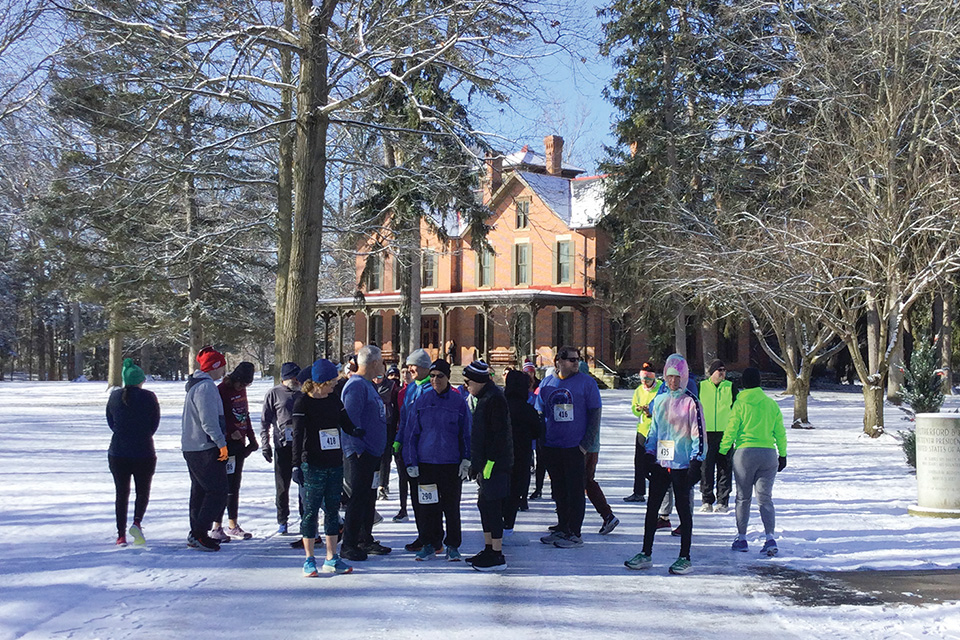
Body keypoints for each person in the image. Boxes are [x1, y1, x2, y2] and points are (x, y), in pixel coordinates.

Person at [625, 353, 705, 575]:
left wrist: (697, 462)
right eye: (669, 377)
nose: (672, 381)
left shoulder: (691, 402)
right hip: (661, 462)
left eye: (677, 377)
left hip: (682, 464)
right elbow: (654, 431)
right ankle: (646, 552)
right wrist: (649, 455)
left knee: (683, 509)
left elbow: (699, 435)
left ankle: (685, 556)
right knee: (652, 508)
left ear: (685, 377)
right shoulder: (660, 401)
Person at [536, 346, 606, 549]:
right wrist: (542, 440)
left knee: (575, 490)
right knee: (559, 489)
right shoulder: (548, 382)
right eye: (571, 359)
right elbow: (540, 412)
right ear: (558, 361)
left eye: (578, 359)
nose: (576, 363)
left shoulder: (587, 383)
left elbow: (595, 414)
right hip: (552, 445)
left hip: (575, 446)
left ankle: (574, 532)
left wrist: (586, 444)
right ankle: (562, 526)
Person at [404, 359, 471, 561]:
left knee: (451, 507)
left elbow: (466, 434)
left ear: (448, 377)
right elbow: (412, 434)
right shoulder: (422, 401)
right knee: (427, 507)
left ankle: (452, 545)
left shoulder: (458, 402)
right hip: (426, 464)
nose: (435, 380)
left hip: (450, 464)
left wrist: (466, 459)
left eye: (439, 376)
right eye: (432, 376)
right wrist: (411, 462)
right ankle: (429, 543)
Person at [293, 359, 354, 576]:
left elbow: (345, 422)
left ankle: (331, 557)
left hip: (334, 462)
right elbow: (298, 435)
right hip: (312, 463)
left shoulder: (334, 399)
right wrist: (296, 465)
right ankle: (309, 559)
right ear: (320, 382)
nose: (334, 386)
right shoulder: (303, 402)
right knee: (310, 511)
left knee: (332, 510)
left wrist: (358, 431)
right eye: (331, 382)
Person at [720, 367, 787, 556]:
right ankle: (770, 538)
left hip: (745, 454)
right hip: (768, 454)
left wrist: (723, 450)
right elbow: (779, 432)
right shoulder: (771, 404)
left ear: (743, 383)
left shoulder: (739, 404)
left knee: (743, 498)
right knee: (765, 498)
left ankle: (742, 538)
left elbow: (731, 429)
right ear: (759, 383)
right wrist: (782, 454)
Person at [340, 345, 391, 561]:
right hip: (360, 454)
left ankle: (365, 538)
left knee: (368, 498)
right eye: (381, 362)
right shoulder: (356, 386)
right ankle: (350, 544)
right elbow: (349, 421)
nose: (383, 366)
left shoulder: (369, 385)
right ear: (372, 363)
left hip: (373, 454)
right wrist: (357, 450)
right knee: (358, 499)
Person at [462, 361, 513, 571]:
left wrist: (488, 465)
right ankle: (489, 547)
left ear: (479, 380)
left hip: (495, 465)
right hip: (485, 464)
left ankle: (497, 553)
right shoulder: (483, 398)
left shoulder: (494, 399)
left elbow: (498, 437)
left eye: (468, 381)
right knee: (484, 505)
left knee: (492, 506)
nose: (466, 385)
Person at [106, 358, 160, 546]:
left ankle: (121, 534)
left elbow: (111, 422)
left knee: (121, 493)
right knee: (142, 491)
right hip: (144, 451)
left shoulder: (114, 397)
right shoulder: (149, 397)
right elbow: (154, 423)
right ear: (140, 380)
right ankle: (137, 522)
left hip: (118, 451)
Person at [181, 346, 229, 552]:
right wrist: (221, 443)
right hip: (204, 446)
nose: (224, 371)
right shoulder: (206, 388)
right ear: (214, 367)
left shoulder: (197, 385)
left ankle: (197, 532)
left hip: (193, 446)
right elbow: (208, 421)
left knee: (200, 490)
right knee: (218, 491)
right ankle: (199, 532)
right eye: (222, 366)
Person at [211, 362, 258, 542]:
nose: (242, 387)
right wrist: (231, 431)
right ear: (235, 378)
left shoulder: (241, 391)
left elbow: (244, 415)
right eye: (241, 384)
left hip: (240, 444)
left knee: (234, 485)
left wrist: (251, 438)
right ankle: (216, 525)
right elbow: (219, 417)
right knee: (223, 485)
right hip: (226, 444)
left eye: (246, 385)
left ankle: (233, 524)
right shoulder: (222, 390)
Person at [394, 348, 433, 547]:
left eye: (414, 365)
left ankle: (432, 536)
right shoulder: (411, 388)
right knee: (416, 497)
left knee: (426, 496)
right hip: (408, 451)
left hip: (425, 452)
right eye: (408, 365)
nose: (410, 369)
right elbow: (405, 419)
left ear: (425, 367)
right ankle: (423, 535)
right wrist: (398, 440)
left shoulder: (431, 390)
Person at [260, 362, 302, 535]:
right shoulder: (274, 393)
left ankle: (305, 518)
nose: (297, 380)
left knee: (303, 484)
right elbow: (265, 421)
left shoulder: (303, 392)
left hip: (301, 446)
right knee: (282, 486)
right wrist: (265, 445)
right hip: (282, 445)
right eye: (294, 377)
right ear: (286, 378)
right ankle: (282, 519)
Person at [503, 369, 542, 543]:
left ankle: (496, 526)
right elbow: (538, 431)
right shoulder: (528, 410)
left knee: (500, 491)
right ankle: (508, 525)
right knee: (515, 491)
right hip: (521, 455)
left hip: (500, 457)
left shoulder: (500, 406)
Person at [699, 359, 736, 513]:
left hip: (725, 433)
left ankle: (723, 501)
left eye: (724, 370)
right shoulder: (701, 386)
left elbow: (737, 409)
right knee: (706, 468)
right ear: (712, 372)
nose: (722, 373)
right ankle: (707, 500)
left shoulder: (731, 387)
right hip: (706, 433)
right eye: (719, 370)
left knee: (725, 468)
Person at [624, 362, 662, 503]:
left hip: (657, 431)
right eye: (642, 379)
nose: (644, 382)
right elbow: (634, 408)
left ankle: (658, 490)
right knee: (639, 463)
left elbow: (663, 408)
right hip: (642, 430)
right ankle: (638, 492)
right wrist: (639, 409)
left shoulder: (660, 389)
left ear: (653, 379)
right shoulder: (639, 390)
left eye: (647, 379)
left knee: (655, 464)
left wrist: (651, 412)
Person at [376, 364, 401, 501]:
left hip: (387, 424)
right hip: (372, 425)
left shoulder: (391, 386)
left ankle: (382, 485)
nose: (377, 378)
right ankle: (374, 483)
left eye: (380, 375)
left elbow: (397, 408)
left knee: (385, 456)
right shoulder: (366, 384)